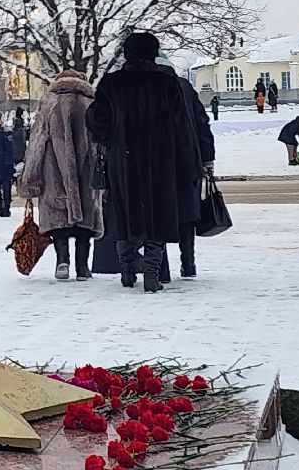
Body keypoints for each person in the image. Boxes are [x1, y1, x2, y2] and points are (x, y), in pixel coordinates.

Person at [88, 32, 198, 294]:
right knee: (157, 215)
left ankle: (127, 271)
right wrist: (188, 164)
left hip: (122, 160)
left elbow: (96, 120)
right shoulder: (167, 84)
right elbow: (182, 128)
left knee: (123, 212)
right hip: (161, 161)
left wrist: (110, 138)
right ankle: (151, 273)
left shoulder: (111, 83)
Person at [19, 70, 100, 281]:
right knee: (86, 217)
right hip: (87, 170)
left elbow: (37, 143)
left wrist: (29, 178)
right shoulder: (91, 104)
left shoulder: (49, 104)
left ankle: (62, 261)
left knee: (58, 219)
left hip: (53, 172)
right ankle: (83, 267)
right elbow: (101, 142)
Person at [158, 62, 214, 280]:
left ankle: (161, 268)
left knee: (158, 214)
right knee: (187, 214)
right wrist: (207, 157)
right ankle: (188, 264)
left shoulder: (149, 87)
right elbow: (202, 123)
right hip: (187, 161)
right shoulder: (184, 87)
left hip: (157, 162)